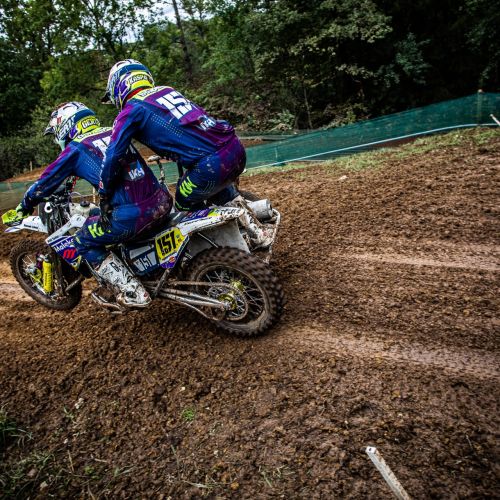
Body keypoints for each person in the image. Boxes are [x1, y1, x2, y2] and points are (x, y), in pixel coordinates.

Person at [12, 102, 172, 308]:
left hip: (132, 217)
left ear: (65, 126)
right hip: (162, 201)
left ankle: (132, 290)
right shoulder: (113, 131)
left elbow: (44, 183)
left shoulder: (76, 148)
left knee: (83, 239)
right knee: (103, 218)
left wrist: (25, 205)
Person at [100, 59, 272, 248]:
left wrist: (104, 194)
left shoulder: (131, 110)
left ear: (118, 87)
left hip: (210, 165)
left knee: (183, 203)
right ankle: (256, 231)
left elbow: (113, 155)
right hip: (235, 147)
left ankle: (217, 251)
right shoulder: (167, 91)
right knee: (217, 189)